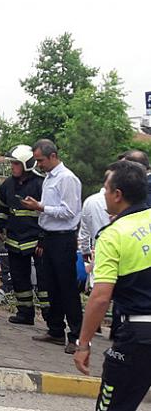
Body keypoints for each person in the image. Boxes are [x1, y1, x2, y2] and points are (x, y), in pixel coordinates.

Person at [73, 160, 151, 410]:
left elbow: (100, 297)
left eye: (106, 188)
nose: (103, 193)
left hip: (137, 336)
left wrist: (83, 344)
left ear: (118, 195)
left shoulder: (113, 235)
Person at [21, 139, 83, 353]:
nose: (38, 164)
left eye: (40, 160)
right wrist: (40, 209)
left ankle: (76, 337)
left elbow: (70, 211)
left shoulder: (67, 179)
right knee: (51, 285)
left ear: (53, 156)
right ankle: (56, 330)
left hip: (63, 238)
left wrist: (40, 206)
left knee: (67, 288)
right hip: (49, 237)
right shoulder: (49, 178)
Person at [0, 145, 46, 325]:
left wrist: (42, 239)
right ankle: (25, 313)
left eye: (16, 163)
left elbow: (47, 215)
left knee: (44, 282)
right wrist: (0, 225)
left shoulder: (41, 184)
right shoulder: (8, 185)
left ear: (26, 164)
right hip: (15, 240)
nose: (12, 167)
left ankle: (51, 318)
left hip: (35, 241)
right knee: (19, 278)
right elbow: (1, 207)